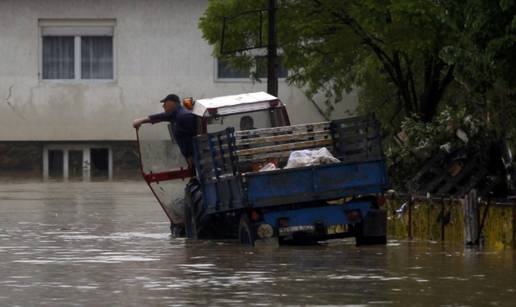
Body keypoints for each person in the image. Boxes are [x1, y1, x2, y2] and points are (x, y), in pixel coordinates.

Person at [133, 93, 197, 167]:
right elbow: (159, 117)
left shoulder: (183, 116)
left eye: (165, 103)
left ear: (172, 103)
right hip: (191, 157)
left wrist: (191, 158)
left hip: (195, 157)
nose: (163, 106)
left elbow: (192, 139)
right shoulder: (175, 114)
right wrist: (140, 121)